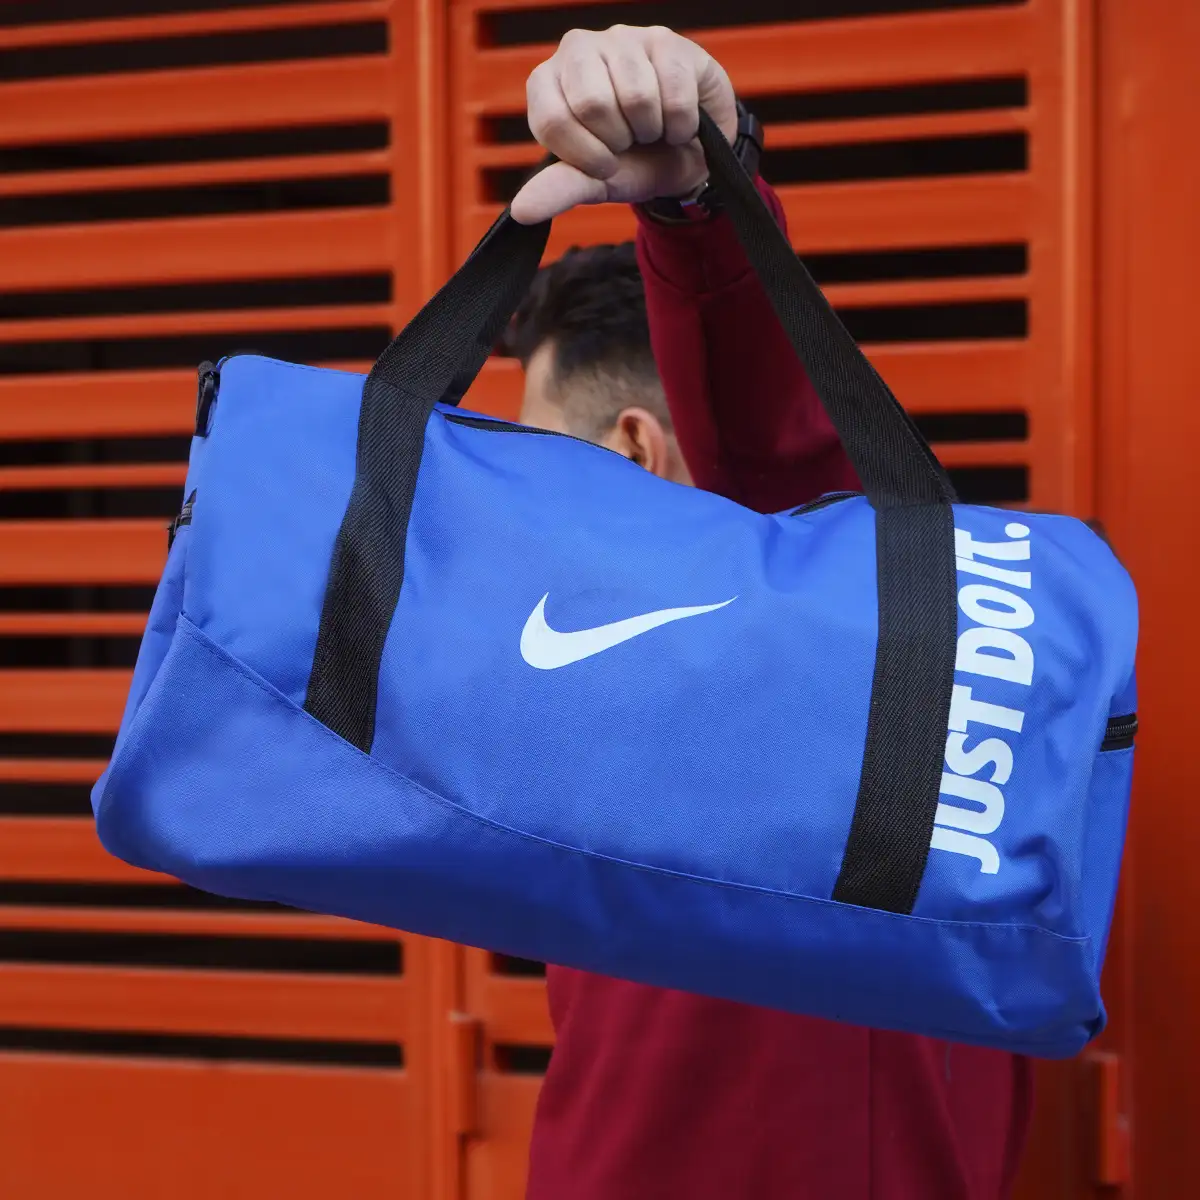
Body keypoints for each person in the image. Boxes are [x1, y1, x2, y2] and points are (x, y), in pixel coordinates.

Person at [507, 24, 1032, 1200]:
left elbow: (768, 444)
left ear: (633, 452)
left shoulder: (838, 646)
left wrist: (702, 196)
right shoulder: (613, 699)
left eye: (539, 457)